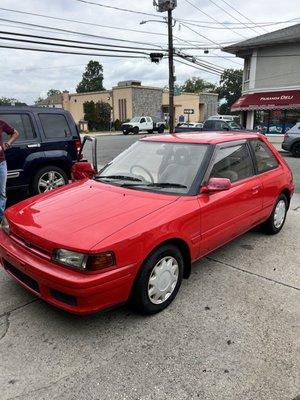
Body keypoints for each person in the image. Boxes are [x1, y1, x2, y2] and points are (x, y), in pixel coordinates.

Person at [0, 120, 19, 219]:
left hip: (1, 163)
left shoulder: (1, 123)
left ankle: (0, 217)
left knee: (2, 192)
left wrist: (7, 144)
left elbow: (15, 133)